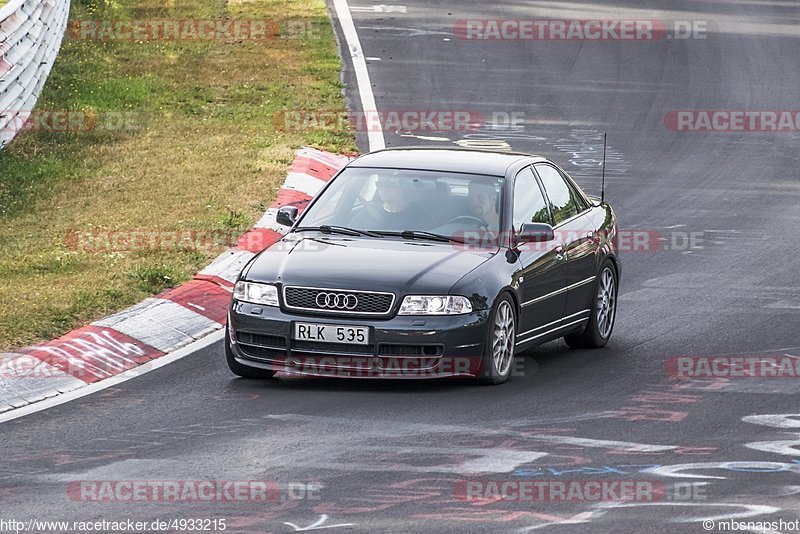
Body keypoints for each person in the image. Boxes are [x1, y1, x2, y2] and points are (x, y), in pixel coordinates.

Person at [351, 174, 433, 231]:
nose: (383, 188)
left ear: (401, 188)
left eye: (389, 184)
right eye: (380, 184)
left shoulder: (419, 215)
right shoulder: (367, 213)